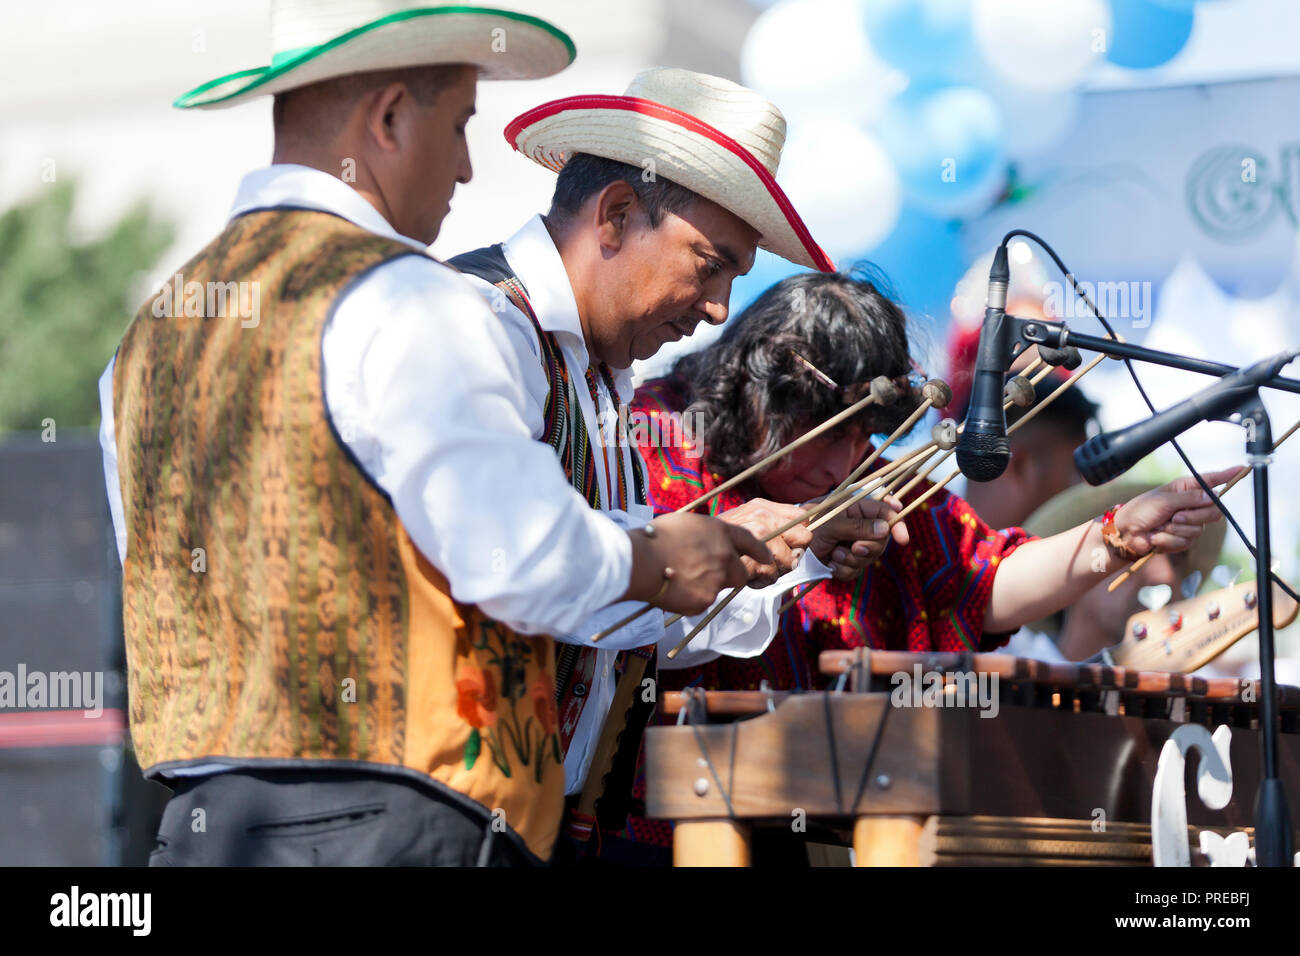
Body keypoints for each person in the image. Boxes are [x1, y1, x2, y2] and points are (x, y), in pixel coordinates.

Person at [97, 3, 769, 867]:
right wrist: (662, 561)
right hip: (400, 820)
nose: (462, 166)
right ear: (385, 119)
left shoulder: (151, 332)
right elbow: (515, 556)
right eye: (458, 127)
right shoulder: (407, 298)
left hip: (200, 826)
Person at [617, 269, 1236, 858]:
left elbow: (989, 577)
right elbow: (631, 608)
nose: (845, 465)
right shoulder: (647, 444)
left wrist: (1117, 536)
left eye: (864, 439)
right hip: (644, 826)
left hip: (822, 832)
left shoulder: (876, 485)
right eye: (831, 434)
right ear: (761, 393)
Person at [449, 68, 889, 863]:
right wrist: (691, 546)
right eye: (709, 262)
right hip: (446, 820)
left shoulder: (599, 380)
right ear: (617, 214)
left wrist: (781, 555)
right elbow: (513, 572)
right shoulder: (481, 326)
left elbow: (623, 625)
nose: (719, 308)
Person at [1006, 479, 1227, 663]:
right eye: (1143, 550)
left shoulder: (1187, 701)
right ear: (1079, 563)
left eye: (1177, 560)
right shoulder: (996, 681)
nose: (1166, 576)